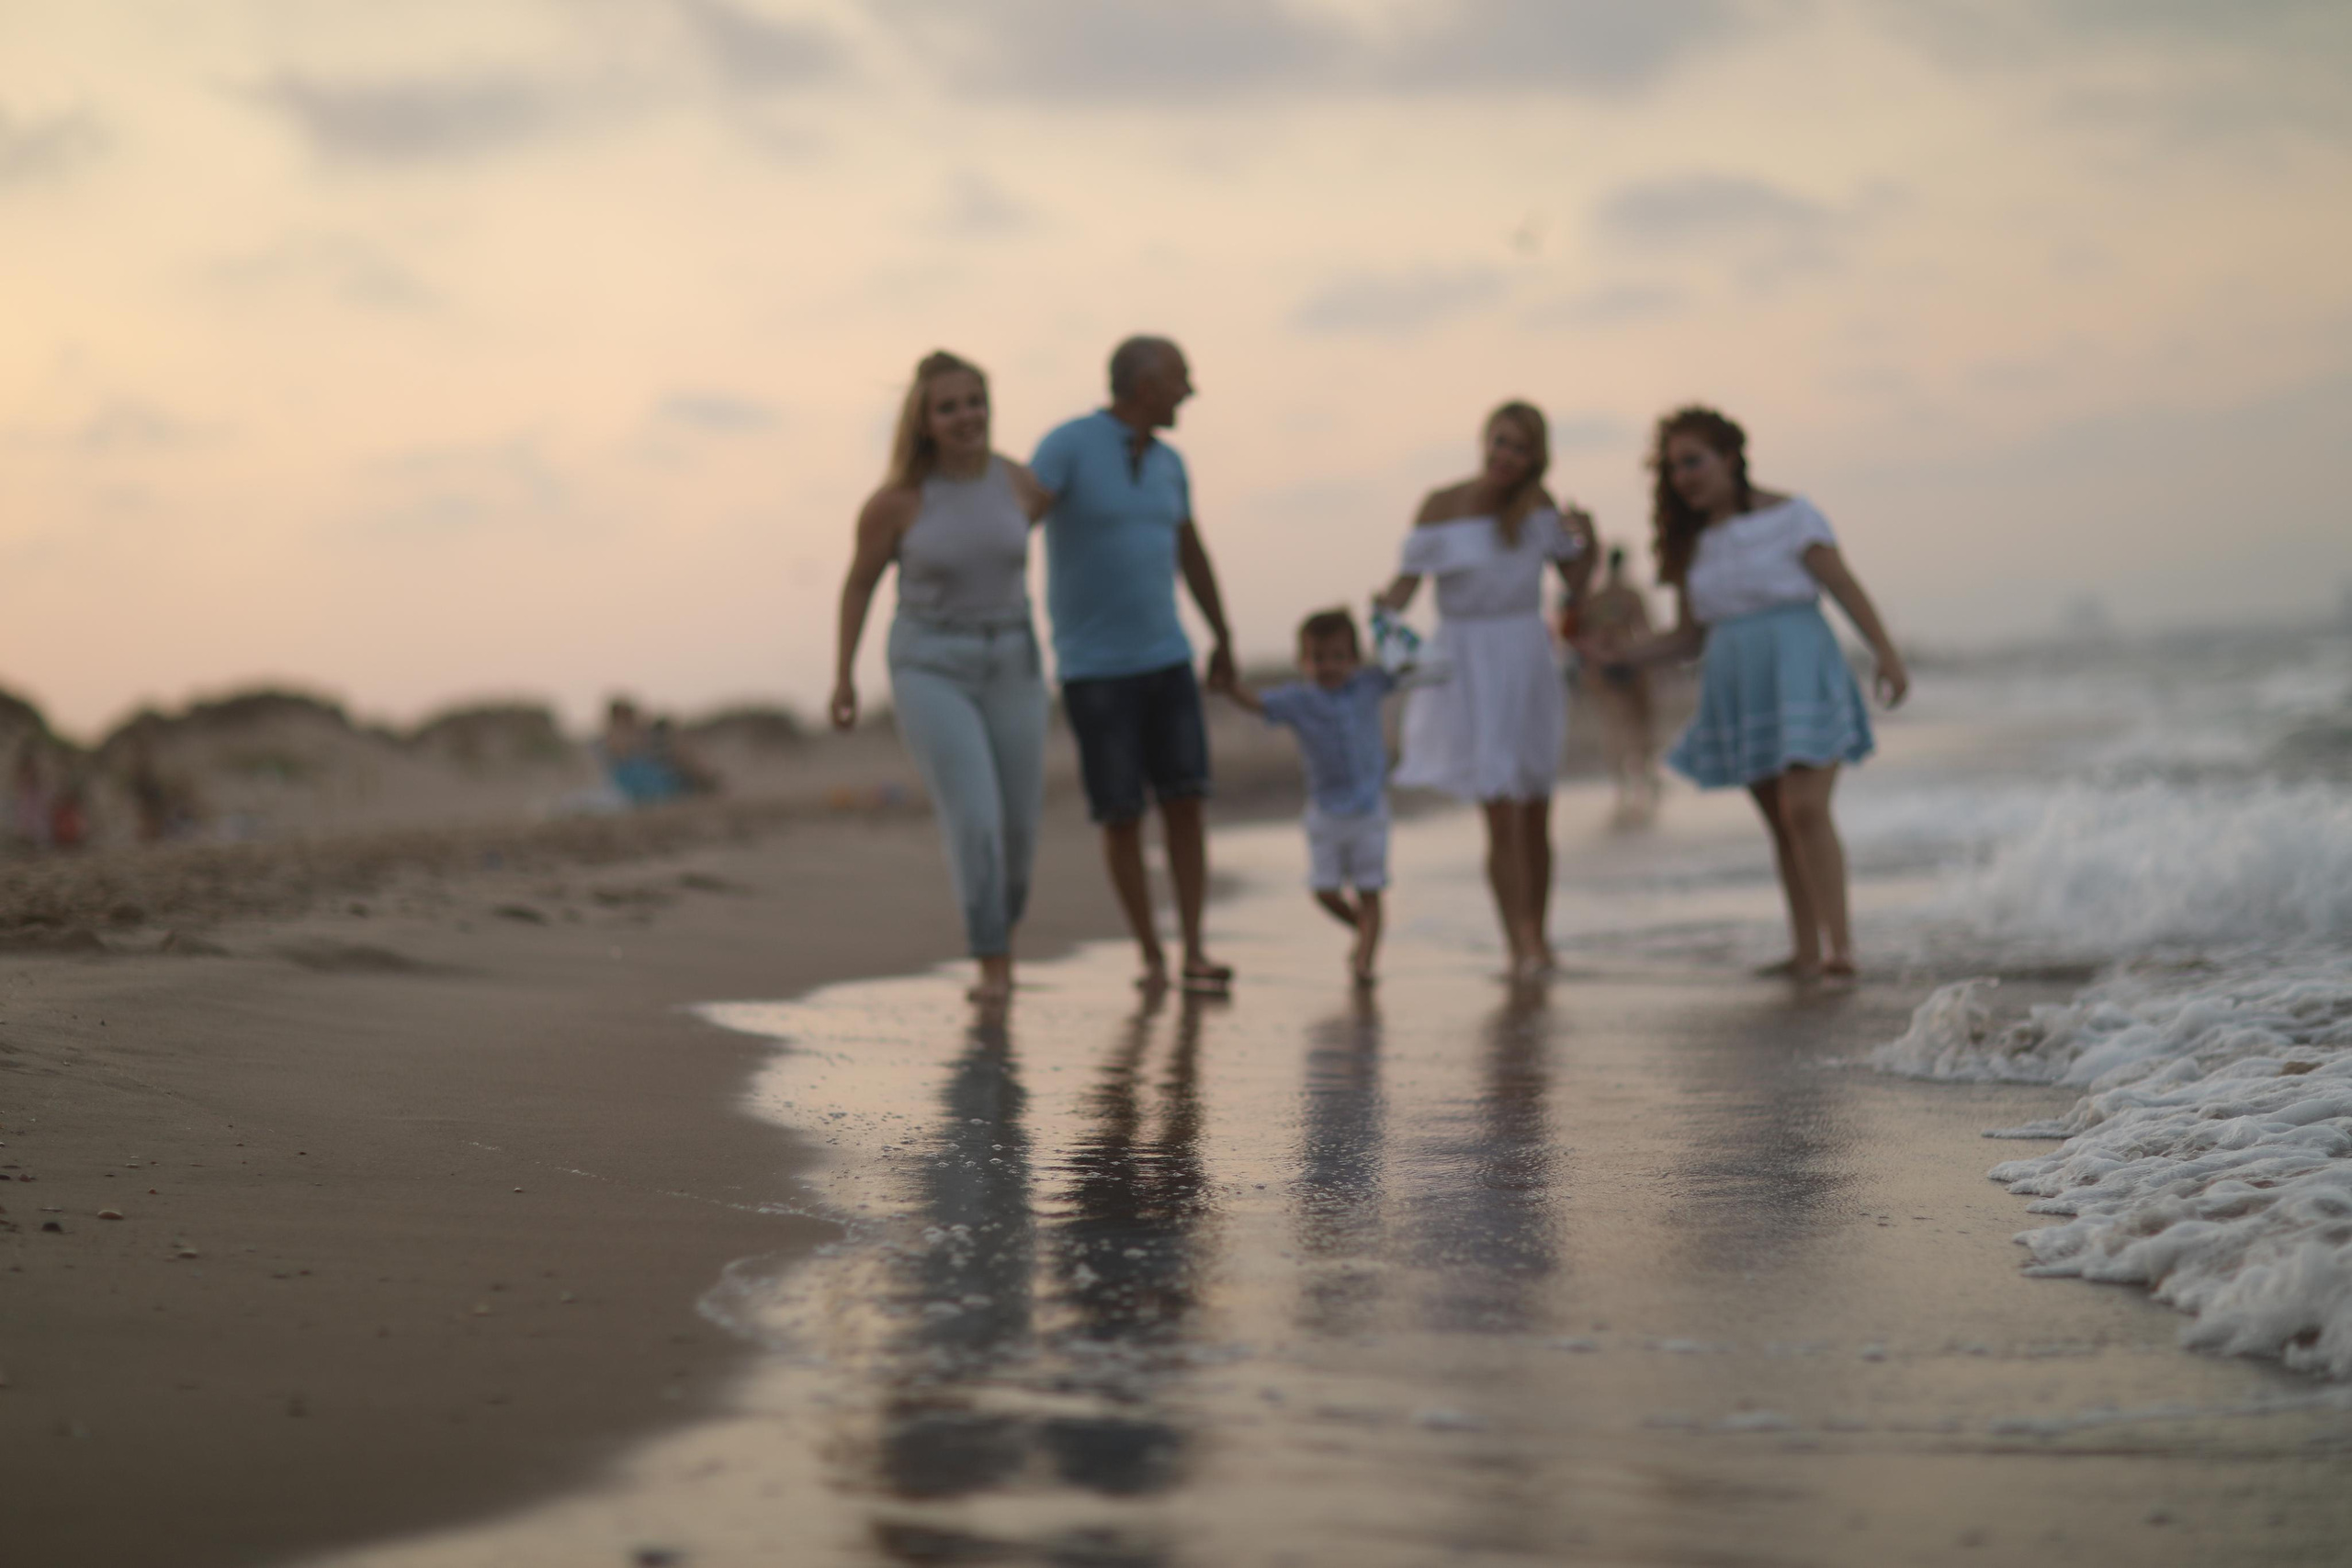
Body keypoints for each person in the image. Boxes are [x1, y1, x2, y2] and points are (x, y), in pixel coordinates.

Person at [1596, 406, 1907, 982]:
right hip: (1738, 681)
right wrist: (1624, 653)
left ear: (1731, 456)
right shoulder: (1693, 545)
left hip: (1800, 666)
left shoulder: (1793, 515)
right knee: (1781, 822)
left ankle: (1841, 948)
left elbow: (1840, 583)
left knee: (1806, 808)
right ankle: (1805, 951)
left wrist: (1885, 652)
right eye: (1674, 469)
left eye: (1694, 461)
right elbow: (1689, 637)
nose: (1684, 477)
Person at [832, 349, 1054, 1002]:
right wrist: (843, 677)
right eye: (949, 406)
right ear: (924, 421)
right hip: (930, 663)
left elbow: (1045, 521)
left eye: (975, 402)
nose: (967, 416)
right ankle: (993, 963)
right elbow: (857, 587)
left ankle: (1001, 934)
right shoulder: (895, 503)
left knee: (1020, 827)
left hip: (1013, 655)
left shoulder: (1018, 482)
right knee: (975, 817)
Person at [1031, 335, 1238, 993]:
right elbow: (1018, 519)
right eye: (1182, 378)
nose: (1190, 391)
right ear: (1144, 384)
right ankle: (1150, 953)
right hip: (1093, 668)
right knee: (1120, 813)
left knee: (1185, 802)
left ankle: (1195, 948)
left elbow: (1192, 550)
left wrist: (1223, 634)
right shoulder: (1066, 444)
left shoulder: (1173, 463)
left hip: (1168, 657)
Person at [1376, 401, 1595, 980]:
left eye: (1520, 448)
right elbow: (1403, 587)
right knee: (1497, 808)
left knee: (1534, 806)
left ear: (1535, 458)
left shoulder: (1537, 507)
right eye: (1500, 442)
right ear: (1484, 441)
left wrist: (1588, 546)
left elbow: (1575, 588)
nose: (1506, 456)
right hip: (1465, 662)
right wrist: (1381, 618)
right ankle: (1517, 942)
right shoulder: (1440, 504)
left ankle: (1540, 936)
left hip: (1525, 655)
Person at [1215, 608, 1397, 986]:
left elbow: (1410, 666)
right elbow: (1258, 704)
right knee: (1324, 890)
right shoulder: (1299, 700)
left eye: (1338, 657)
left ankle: (1364, 961)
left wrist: (1387, 623)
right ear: (1302, 661)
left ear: (1355, 659)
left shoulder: (1369, 684)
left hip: (1369, 809)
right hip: (1325, 812)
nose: (1328, 666)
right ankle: (1364, 929)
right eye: (1317, 658)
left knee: (1370, 887)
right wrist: (1228, 686)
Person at [1576, 545, 1663, 824]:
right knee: (1637, 723)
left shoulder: (1596, 597)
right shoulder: (1628, 595)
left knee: (1614, 724)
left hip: (1604, 665)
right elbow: (1645, 627)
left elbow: (1582, 635)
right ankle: (1642, 776)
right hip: (1628, 660)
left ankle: (1624, 782)